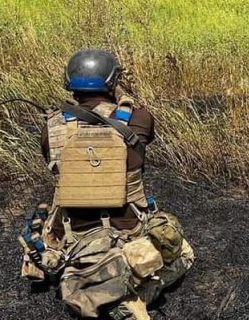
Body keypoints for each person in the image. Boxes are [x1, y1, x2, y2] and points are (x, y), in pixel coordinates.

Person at [19, 49, 193, 320]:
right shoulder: (139, 118)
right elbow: (146, 136)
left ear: (70, 84)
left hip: (74, 239)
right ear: (112, 82)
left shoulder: (51, 127)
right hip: (130, 232)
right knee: (183, 251)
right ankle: (137, 296)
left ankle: (93, 285)